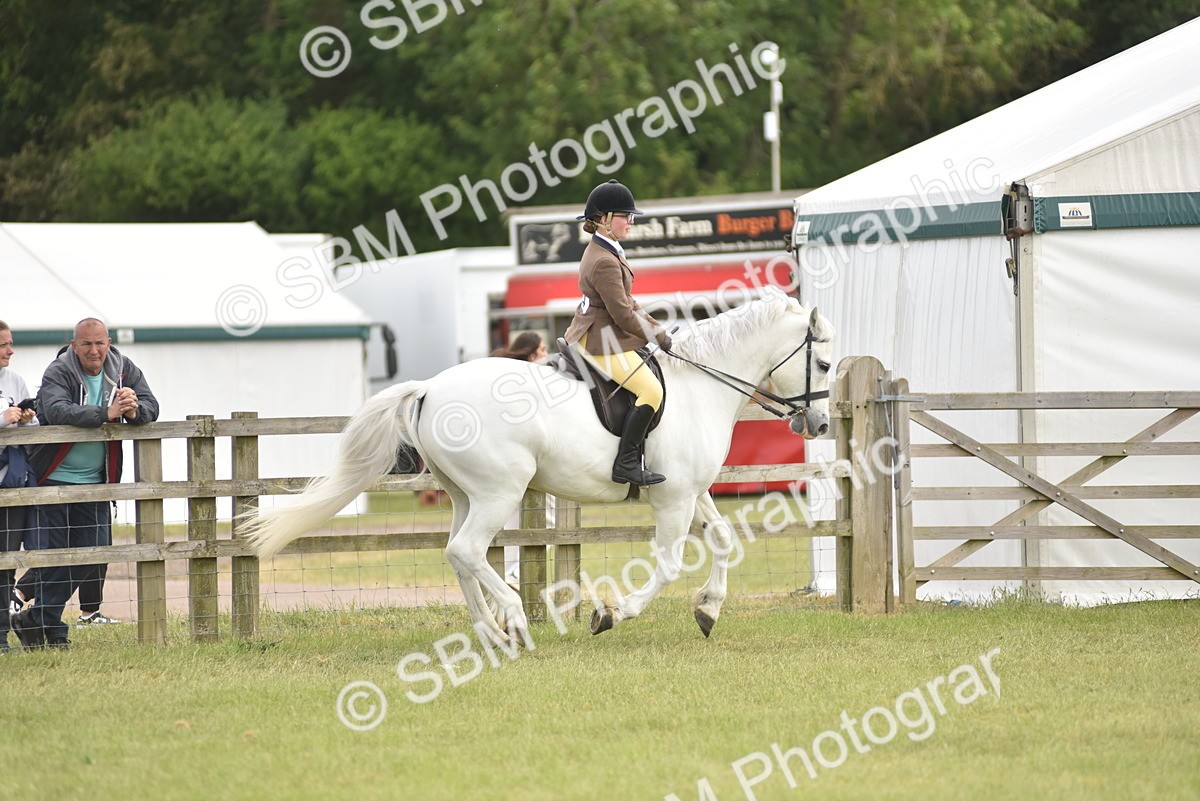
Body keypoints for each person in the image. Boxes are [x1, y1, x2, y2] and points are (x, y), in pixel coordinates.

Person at [10, 318, 159, 649]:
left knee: (92, 554)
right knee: (54, 557)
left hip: (96, 482)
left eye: (100, 343)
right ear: (74, 345)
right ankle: (50, 627)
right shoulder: (58, 371)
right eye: (86, 344)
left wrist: (133, 411)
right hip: (52, 479)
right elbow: (56, 409)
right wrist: (107, 413)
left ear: (109, 343)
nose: (94, 351)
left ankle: (37, 619)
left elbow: (152, 406)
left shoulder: (123, 368)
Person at [563, 179, 672, 486]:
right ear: (604, 219)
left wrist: (656, 328)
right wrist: (657, 337)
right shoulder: (603, 261)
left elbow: (628, 302)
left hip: (600, 330)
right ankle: (625, 462)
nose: (631, 221)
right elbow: (623, 315)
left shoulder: (606, 250)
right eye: (625, 216)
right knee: (652, 391)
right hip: (599, 339)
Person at [0, 321, 39, 653]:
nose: (10, 351)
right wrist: (3, 419)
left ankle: (1, 635)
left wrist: (26, 419)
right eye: (3, 345)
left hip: (11, 484)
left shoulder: (15, 380)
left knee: (6, 561)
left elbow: (34, 426)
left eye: (10, 344)